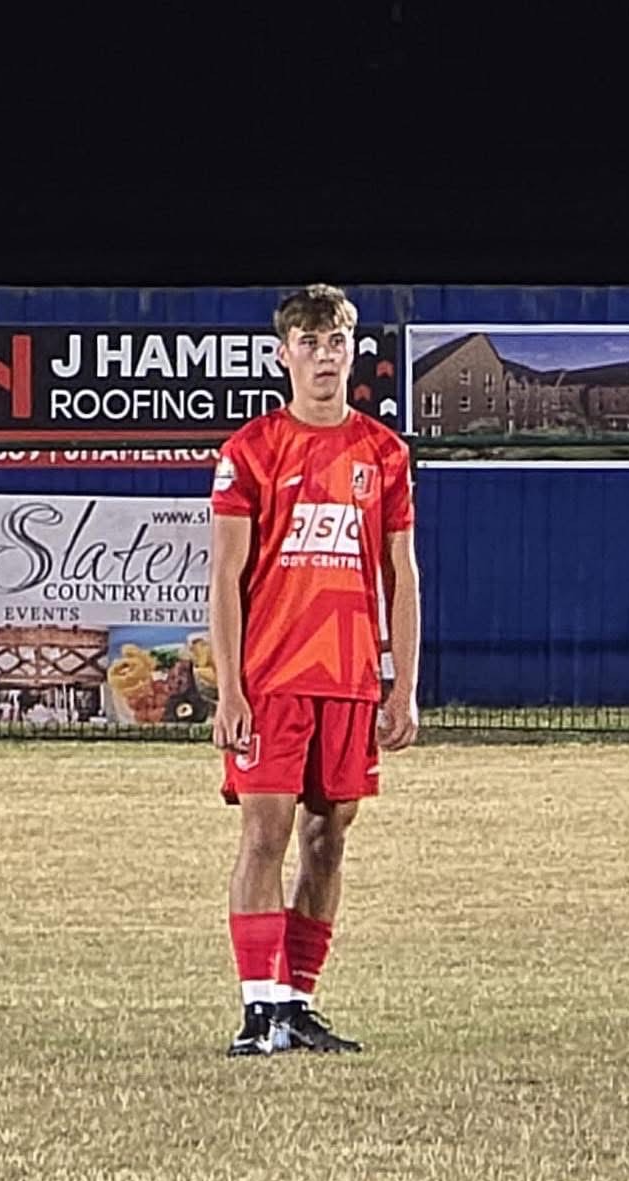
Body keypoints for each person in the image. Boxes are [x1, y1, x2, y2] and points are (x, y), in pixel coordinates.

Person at [209, 284, 420, 1057]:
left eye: (336, 342)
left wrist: (405, 686)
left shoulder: (384, 454)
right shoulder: (251, 451)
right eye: (309, 343)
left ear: (352, 353)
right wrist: (230, 688)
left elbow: (402, 574)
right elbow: (225, 576)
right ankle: (256, 1009)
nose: (324, 357)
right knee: (265, 833)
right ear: (283, 355)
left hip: (349, 677)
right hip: (271, 679)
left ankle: (296, 1004)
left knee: (328, 838)